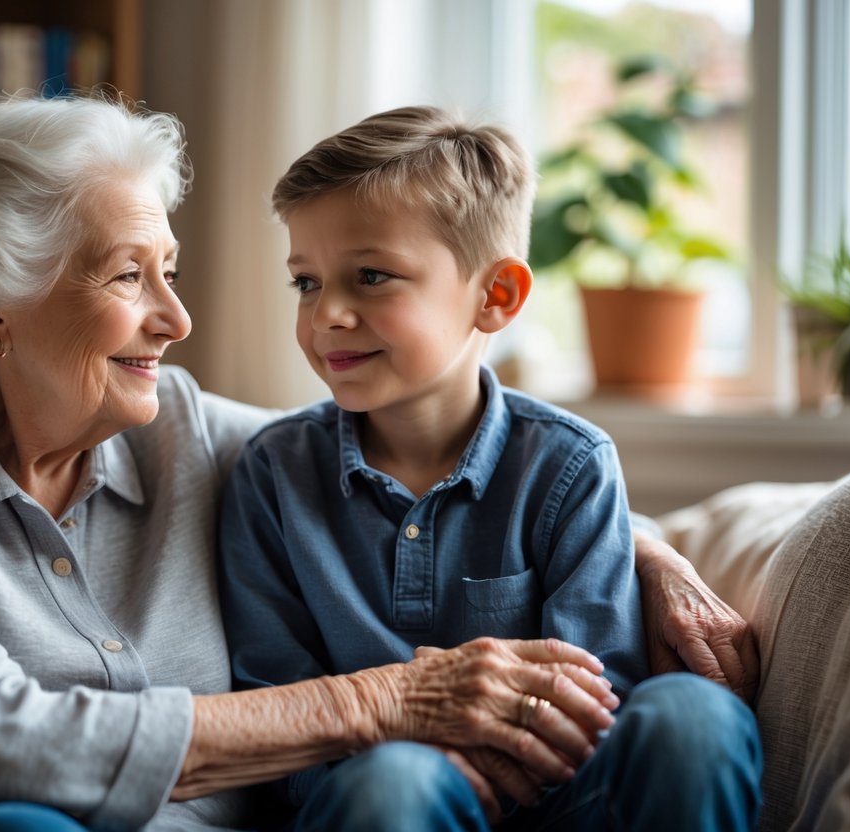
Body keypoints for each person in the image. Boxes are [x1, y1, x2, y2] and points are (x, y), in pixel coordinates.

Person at [0, 95, 757, 832]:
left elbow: (420, 452)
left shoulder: (175, 426)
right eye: (128, 275)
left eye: (169, 272)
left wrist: (645, 550)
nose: (176, 319)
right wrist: (379, 701)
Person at [219, 105, 762, 831]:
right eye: (306, 283)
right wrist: (426, 757)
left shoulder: (570, 464)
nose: (327, 317)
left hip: (556, 799)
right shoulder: (271, 475)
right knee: (398, 782)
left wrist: (498, 764)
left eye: (371, 276)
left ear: (495, 297)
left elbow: (596, 687)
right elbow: (273, 700)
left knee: (695, 716)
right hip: (377, 797)